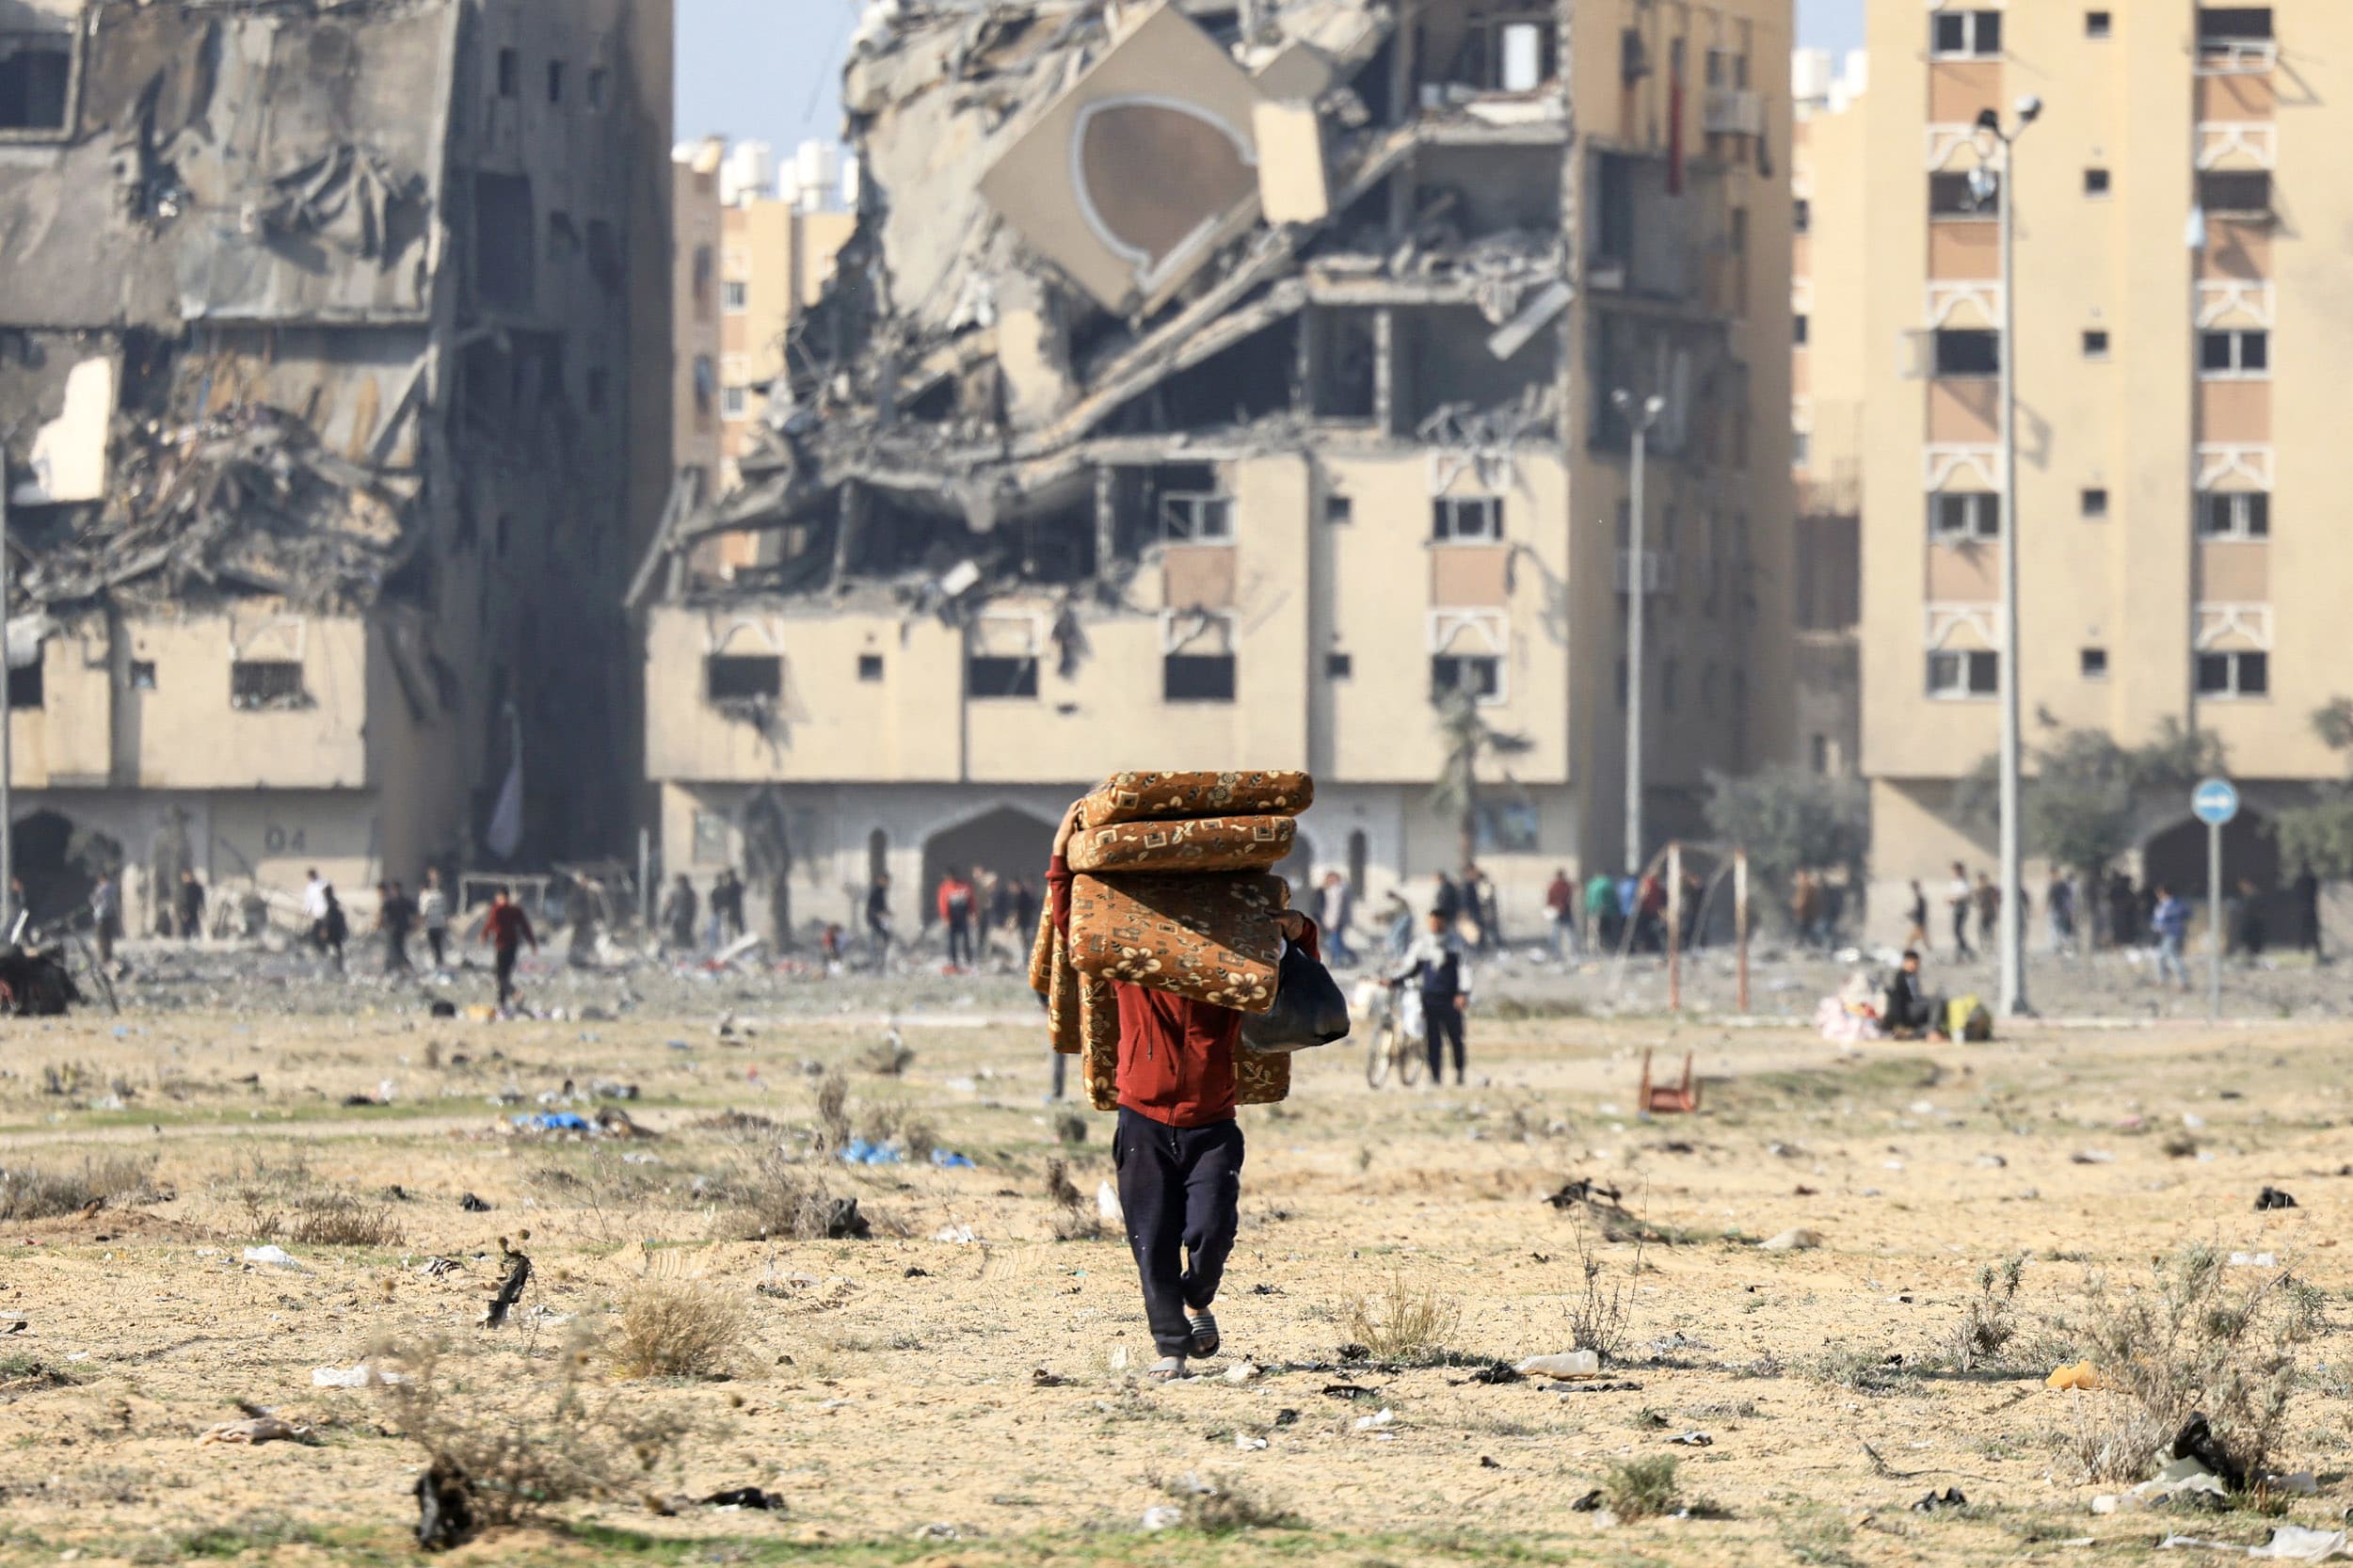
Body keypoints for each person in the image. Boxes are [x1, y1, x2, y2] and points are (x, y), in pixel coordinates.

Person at [1045, 801, 1315, 1380]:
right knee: (1152, 1239)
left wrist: (1299, 928)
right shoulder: (1131, 960)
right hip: (1141, 1116)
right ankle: (1171, 1350)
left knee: (1211, 1230)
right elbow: (1076, 928)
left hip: (1212, 1120)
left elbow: (1293, 972)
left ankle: (1198, 1298)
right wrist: (1060, 860)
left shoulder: (1230, 967)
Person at [1393, 908, 1472, 1085]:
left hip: (1451, 999)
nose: (1435, 925)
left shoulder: (1456, 945)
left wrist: (1463, 993)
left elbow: (1465, 970)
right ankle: (1435, 1077)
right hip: (1429, 999)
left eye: (1438, 922)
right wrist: (1393, 981)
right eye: (1432, 922)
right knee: (1433, 1041)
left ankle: (1459, 1073)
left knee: (1455, 1039)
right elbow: (1410, 969)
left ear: (1444, 922)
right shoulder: (1422, 944)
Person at [474, 886, 537, 1009]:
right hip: (513, 946)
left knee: (500, 975)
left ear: (500, 897)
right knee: (505, 975)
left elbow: (490, 923)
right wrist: (532, 943)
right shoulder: (515, 910)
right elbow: (525, 927)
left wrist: (483, 935)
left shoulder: (497, 909)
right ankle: (501, 1003)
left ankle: (514, 993)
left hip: (502, 945)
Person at [1881, 950, 1946, 1039]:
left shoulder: (1912, 976)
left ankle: (1918, 1033)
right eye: (1914, 963)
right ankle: (1933, 1031)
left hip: (1914, 1007)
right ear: (1906, 962)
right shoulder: (1901, 977)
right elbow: (1898, 999)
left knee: (1937, 1004)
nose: (1916, 966)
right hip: (1907, 1010)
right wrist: (1898, 1022)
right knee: (1936, 1000)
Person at [2151, 885, 2191, 989]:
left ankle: (2184, 981)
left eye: (2159, 892)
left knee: (2171, 956)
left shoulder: (2175, 905)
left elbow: (2186, 913)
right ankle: (2162, 980)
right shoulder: (2161, 905)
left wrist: (2172, 920)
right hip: (2163, 934)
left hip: (2173, 933)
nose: (2158, 895)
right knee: (2161, 956)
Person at [936, 868, 976, 969]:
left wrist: (972, 914)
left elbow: (971, 900)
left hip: (963, 916)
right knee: (952, 941)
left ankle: (969, 960)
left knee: (967, 939)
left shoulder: (964, 886)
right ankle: (954, 962)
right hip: (951, 917)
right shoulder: (944, 888)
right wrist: (945, 917)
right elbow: (942, 904)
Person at [1315, 872, 1356, 968]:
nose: (1329, 881)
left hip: (1337, 921)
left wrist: (1333, 922)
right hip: (1334, 920)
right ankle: (1349, 957)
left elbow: (1336, 908)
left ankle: (1338, 961)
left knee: (1334, 942)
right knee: (1336, 941)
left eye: (1331, 878)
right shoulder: (1333, 890)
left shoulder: (1338, 890)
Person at [376, 880, 417, 975]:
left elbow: (381, 914)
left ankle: (396, 967)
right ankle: (398, 966)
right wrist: (414, 926)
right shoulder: (405, 900)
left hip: (393, 929)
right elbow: (415, 914)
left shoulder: (390, 901)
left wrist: (378, 924)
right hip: (401, 929)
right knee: (398, 948)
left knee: (394, 948)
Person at [418, 869, 451, 969]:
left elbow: (424, 912)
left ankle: (438, 962)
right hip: (435, 924)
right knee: (436, 945)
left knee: (435, 944)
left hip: (434, 924)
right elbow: (445, 911)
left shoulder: (429, 896)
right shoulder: (436, 895)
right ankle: (438, 961)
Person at [1545, 868, 1576, 961]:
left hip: (1557, 912)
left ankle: (1556, 953)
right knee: (1570, 932)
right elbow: (1569, 895)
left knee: (1556, 933)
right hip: (1565, 911)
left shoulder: (1553, 886)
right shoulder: (1566, 885)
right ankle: (1573, 952)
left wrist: (1550, 908)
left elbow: (1549, 899)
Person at [316, 884, 349, 973]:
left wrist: (325, 929)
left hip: (333, 930)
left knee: (334, 949)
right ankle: (338, 967)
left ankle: (337, 968)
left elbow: (329, 918)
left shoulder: (331, 903)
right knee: (337, 949)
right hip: (337, 930)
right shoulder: (334, 902)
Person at [88, 872, 119, 968]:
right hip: (110, 916)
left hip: (101, 916)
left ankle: (104, 959)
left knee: (101, 939)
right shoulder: (113, 888)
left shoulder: (100, 889)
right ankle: (109, 957)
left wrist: (92, 900)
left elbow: (94, 901)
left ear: (101, 879)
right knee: (109, 938)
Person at [1946, 863, 1976, 961]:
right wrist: (1951, 900)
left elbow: (1968, 896)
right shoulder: (1955, 882)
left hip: (1962, 908)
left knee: (1957, 931)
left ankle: (1967, 951)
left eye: (1956, 870)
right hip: (1956, 908)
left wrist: (1956, 900)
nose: (1954, 872)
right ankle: (1961, 952)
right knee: (1957, 931)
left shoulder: (1964, 882)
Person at [1585, 870, 1619, 952]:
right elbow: (1612, 898)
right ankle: (1603, 947)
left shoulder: (1591, 884)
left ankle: (1591, 948)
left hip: (1591, 910)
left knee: (1592, 930)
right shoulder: (1607, 884)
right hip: (1605, 911)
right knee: (1603, 930)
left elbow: (1587, 898)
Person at [866, 872, 894, 971]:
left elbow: (882, 905)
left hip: (882, 920)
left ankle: (881, 963)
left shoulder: (882, 891)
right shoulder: (876, 891)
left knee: (885, 940)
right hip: (875, 921)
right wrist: (878, 914)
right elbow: (871, 907)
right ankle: (874, 964)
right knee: (875, 943)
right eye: (884, 881)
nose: (886, 883)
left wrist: (887, 912)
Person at [711, 870, 746, 944]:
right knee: (734, 926)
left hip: (728, 910)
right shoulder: (731, 886)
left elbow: (715, 900)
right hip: (731, 909)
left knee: (726, 928)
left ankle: (731, 942)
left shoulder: (728, 887)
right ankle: (740, 939)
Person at [2295, 868, 2323, 961]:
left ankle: (2306, 948)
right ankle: (2310, 948)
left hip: (2306, 908)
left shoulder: (2301, 880)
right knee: (2311, 930)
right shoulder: (2311, 880)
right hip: (2309, 907)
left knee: (2307, 930)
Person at [2235, 877, 2266, 960]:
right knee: (2249, 939)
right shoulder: (2247, 896)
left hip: (2254, 921)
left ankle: (2255, 954)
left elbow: (2255, 909)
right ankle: (2251, 953)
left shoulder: (2254, 895)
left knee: (2254, 939)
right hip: (2249, 921)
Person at [2047, 870, 2077, 955]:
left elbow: (2050, 899)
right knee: (2061, 930)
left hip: (2059, 911)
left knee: (2058, 930)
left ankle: (2059, 948)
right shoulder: (2062, 886)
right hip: (2060, 911)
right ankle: (2062, 947)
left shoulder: (2055, 886)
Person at [1790, 872, 1822, 950]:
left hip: (1805, 914)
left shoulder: (1806, 887)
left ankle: (1802, 945)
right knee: (1806, 930)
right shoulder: (1808, 887)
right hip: (1808, 914)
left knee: (1804, 930)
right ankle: (1814, 944)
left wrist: (1796, 905)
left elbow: (1802, 901)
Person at [1973, 871, 2000, 952]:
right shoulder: (1979, 890)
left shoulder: (1990, 889)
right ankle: (1984, 946)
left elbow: (1997, 899)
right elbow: (1975, 901)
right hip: (1983, 912)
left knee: (1989, 930)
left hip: (1989, 912)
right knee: (1982, 930)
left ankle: (1989, 946)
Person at [176, 869, 206, 940]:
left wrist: (203, 908)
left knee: (195, 928)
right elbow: (181, 901)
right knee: (186, 931)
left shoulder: (196, 887)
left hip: (194, 911)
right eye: (183, 877)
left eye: (185, 876)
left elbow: (201, 899)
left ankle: (196, 940)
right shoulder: (183, 888)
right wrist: (182, 910)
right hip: (185, 911)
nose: (184, 878)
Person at [1904, 879, 1930, 952]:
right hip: (1920, 922)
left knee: (1911, 939)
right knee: (1924, 940)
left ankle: (1907, 953)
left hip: (1920, 922)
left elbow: (1918, 910)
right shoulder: (1920, 897)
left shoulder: (1920, 897)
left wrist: (1910, 914)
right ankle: (1932, 953)